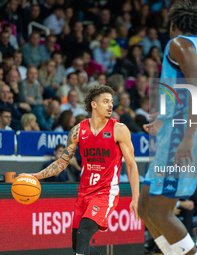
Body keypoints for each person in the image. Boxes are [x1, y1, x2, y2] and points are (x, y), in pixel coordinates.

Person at [137, 2, 197, 255]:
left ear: (174, 25)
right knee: (144, 207)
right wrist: (165, 116)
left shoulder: (178, 43)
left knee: (161, 213)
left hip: (184, 134)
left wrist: (186, 136)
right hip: (183, 129)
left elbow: (195, 91)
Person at [20, 85, 140, 255]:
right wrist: (36, 176)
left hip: (106, 193)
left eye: (111, 102)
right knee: (78, 245)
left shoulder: (119, 129)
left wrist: (135, 197)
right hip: (84, 193)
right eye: (106, 101)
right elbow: (62, 162)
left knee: (84, 233)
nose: (110, 105)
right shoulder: (77, 131)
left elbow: (131, 164)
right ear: (94, 104)